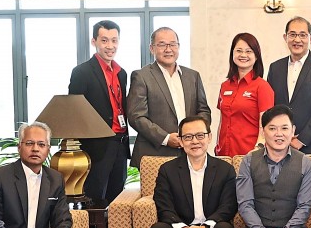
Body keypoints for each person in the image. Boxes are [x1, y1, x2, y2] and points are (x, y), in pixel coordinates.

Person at [147, 115, 238, 228]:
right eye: (188, 137)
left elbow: (229, 205)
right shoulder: (167, 170)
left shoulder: (225, 169)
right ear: (181, 141)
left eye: (200, 135)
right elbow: (163, 204)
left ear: (209, 137)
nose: (194, 141)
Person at [233, 105, 311, 228]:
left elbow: (305, 207)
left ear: (293, 131)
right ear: (263, 131)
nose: (279, 134)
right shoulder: (248, 160)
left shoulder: (305, 163)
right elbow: (245, 204)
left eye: (284, 128)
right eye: (272, 128)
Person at [128, 26, 211, 169]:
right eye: (162, 44)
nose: (168, 49)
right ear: (152, 48)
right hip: (154, 155)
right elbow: (136, 117)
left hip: (190, 154)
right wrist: (166, 138)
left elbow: (203, 110)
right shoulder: (141, 76)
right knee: (154, 192)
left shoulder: (193, 76)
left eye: (173, 44)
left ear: (178, 47)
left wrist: (194, 136)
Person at [68, 19, 129, 203]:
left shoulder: (122, 73)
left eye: (114, 40)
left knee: (116, 199)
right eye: (104, 40)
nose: (110, 46)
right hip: (97, 147)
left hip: (120, 143)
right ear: (94, 41)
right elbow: (75, 110)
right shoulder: (82, 72)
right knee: (94, 200)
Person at [266, 16, 311, 154]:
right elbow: (271, 108)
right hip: (282, 145)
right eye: (292, 35)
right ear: (285, 37)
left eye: (303, 35)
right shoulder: (275, 68)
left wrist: (302, 139)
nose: (297, 40)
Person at [214, 32, 274, 156]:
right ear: (232, 54)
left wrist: (258, 149)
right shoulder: (225, 86)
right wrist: (217, 148)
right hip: (223, 154)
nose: (243, 55)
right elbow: (222, 121)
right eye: (239, 51)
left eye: (248, 51)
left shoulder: (262, 86)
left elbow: (266, 125)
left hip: (249, 154)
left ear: (256, 56)